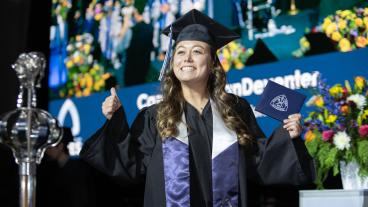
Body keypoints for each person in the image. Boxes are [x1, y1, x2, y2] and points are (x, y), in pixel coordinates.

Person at [80, 9, 315, 207]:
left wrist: (287, 136)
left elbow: (257, 160)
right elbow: (129, 165)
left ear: (212, 62)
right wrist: (116, 120)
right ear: (172, 64)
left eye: (197, 51)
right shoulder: (155, 116)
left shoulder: (234, 109)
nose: (187, 58)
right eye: (180, 52)